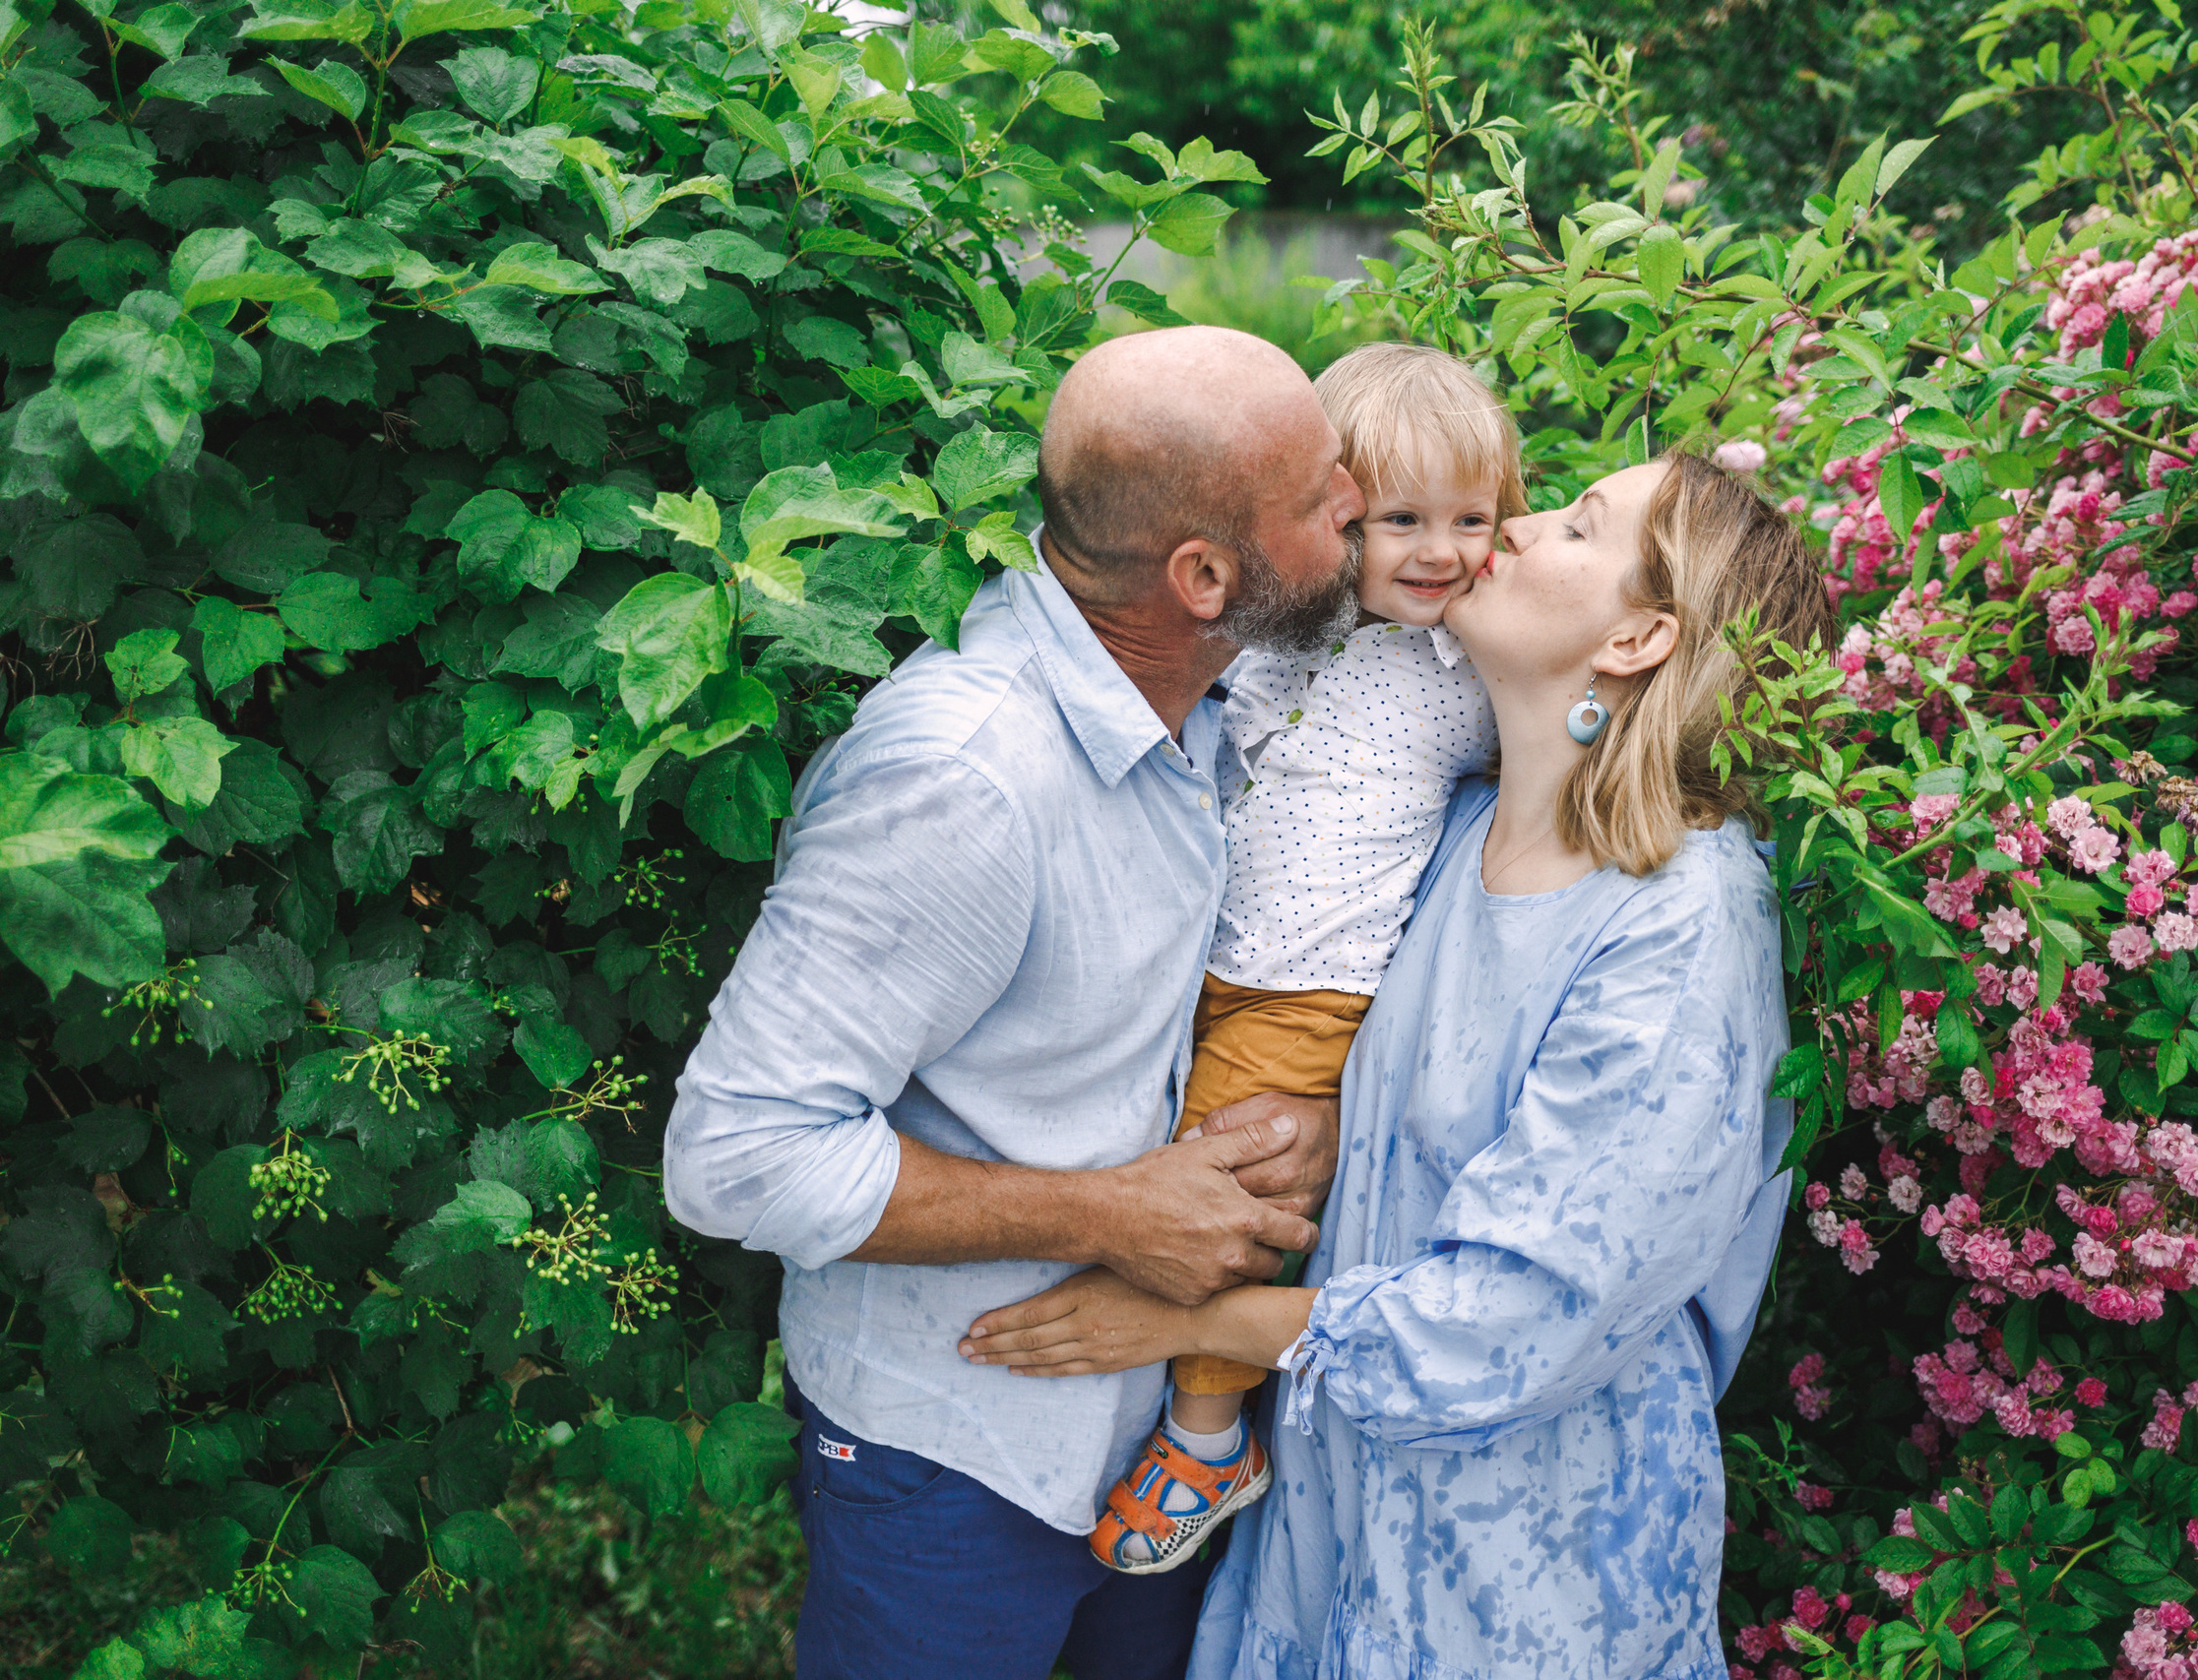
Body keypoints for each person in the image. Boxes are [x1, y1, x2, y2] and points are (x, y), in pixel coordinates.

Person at [958, 450, 1836, 1680]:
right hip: (1325, 1544)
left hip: (1525, 1582)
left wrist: (1184, 1318)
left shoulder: (1682, 921)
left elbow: (1520, 1322)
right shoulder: (1447, 829)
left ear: (1638, 639)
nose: (1516, 530)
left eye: (1578, 529)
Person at [661, 325, 1368, 1680]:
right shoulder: (966, 781)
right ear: (1204, 575)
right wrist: (1106, 1209)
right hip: (957, 1454)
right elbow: (737, 1154)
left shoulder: (1204, 704)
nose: (1357, 500)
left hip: (1154, 1438)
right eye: (1321, 488)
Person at [1090, 343, 1526, 1577]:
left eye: (1470, 519)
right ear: (1338, 514)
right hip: (1207, 956)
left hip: (1316, 992)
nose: (1437, 550)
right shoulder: (1283, 634)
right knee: (1149, 1145)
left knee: (1232, 1186)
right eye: (1399, 519)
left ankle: (1208, 1434)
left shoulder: (1471, 671)